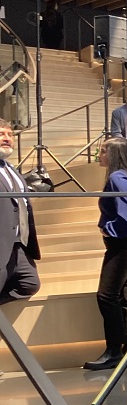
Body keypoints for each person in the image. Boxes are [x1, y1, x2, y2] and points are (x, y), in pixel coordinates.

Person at [84, 137, 127, 370]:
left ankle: (113, 351)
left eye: (103, 151)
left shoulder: (117, 177)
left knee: (107, 295)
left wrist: (110, 229)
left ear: (114, 155)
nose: (99, 155)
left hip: (125, 240)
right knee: (126, 294)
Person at [0, 120, 39, 307]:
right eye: (1, 134)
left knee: (30, 283)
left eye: (10, 135)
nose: (7, 139)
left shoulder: (11, 169)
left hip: (18, 245)